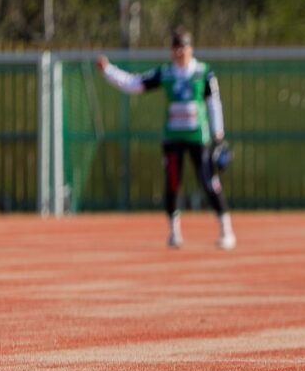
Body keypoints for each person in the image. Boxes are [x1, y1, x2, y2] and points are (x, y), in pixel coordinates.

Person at [96, 27, 237, 250]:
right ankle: (174, 232)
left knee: (209, 182)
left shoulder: (204, 72)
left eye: (184, 47)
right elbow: (134, 84)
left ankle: (226, 230)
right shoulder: (166, 73)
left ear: (191, 49)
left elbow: (213, 104)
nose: (180, 52)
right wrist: (108, 70)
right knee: (172, 183)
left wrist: (218, 136)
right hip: (173, 137)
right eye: (176, 48)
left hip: (199, 137)